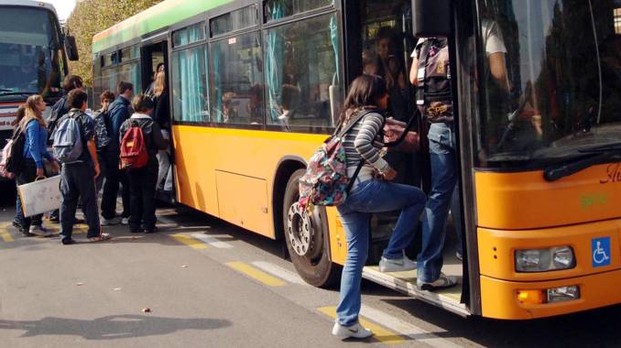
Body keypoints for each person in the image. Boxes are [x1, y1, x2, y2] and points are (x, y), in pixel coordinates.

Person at [331, 75, 426, 339]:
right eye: (385, 94)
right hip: (363, 190)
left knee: (355, 256)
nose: (388, 98)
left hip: (343, 194)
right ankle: (393, 255)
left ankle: (346, 321)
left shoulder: (347, 117)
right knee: (417, 198)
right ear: (375, 95)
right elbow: (362, 144)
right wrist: (385, 169)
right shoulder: (373, 116)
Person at [58, 89, 110, 245]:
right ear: (83, 103)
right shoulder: (85, 119)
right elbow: (90, 142)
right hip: (82, 164)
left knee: (67, 200)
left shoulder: (63, 119)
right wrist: (95, 162)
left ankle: (65, 235)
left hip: (66, 164)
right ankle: (94, 233)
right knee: (89, 199)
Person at [119, 94, 169, 233]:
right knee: (148, 193)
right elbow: (160, 144)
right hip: (149, 163)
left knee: (134, 193)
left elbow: (121, 143)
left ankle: (134, 223)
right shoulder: (151, 124)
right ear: (148, 109)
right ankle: (149, 224)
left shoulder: (126, 124)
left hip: (130, 163)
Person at [17, 95, 59, 237]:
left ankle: (33, 224)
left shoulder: (35, 121)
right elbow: (34, 147)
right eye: (41, 102)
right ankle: (31, 224)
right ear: (36, 105)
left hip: (33, 160)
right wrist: (39, 164)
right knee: (35, 193)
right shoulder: (33, 123)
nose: (45, 103)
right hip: (30, 162)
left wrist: (50, 158)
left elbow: (41, 147)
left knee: (36, 193)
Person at [101, 81, 133, 225]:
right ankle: (125, 214)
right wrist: (122, 152)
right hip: (116, 152)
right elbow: (118, 132)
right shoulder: (122, 108)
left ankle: (108, 214)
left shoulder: (114, 105)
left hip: (110, 151)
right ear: (128, 90)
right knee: (125, 182)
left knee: (112, 183)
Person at [152, 71, 172, 192]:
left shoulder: (156, 95)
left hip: (158, 133)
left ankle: (154, 186)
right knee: (176, 160)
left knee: (163, 163)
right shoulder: (165, 95)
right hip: (164, 133)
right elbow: (159, 116)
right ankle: (168, 186)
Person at [93, 90, 115, 192]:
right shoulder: (98, 115)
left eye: (110, 101)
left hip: (106, 152)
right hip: (100, 152)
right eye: (106, 101)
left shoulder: (111, 114)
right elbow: (102, 138)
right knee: (99, 180)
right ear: (102, 102)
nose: (108, 104)